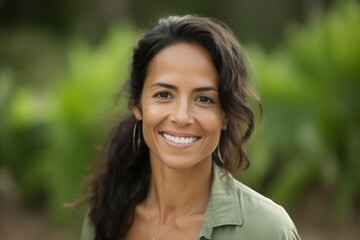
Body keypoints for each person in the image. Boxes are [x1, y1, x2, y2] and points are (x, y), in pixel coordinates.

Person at [80, 15, 301, 240]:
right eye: (164, 95)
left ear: (225, 115)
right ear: (137, 105)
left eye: (204, 99)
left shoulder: (267, 229)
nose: (182, 116)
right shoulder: (104, 218)